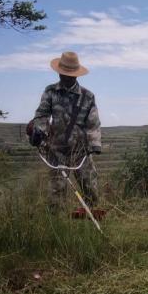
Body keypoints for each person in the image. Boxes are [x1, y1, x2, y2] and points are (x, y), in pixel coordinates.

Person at [28, 51, 101, 209]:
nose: (66, 77)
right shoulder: (51, 92)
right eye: (63, 74)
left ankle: (91, 220)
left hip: (81, 151)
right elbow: (42, 115)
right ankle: (58, 225)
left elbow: (93, 122)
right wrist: (39, 131)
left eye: (70, 74)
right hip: (56, 151)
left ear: (76, 75)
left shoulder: (88, 96)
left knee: (90, 188)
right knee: (56, 194)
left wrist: (94, 144)